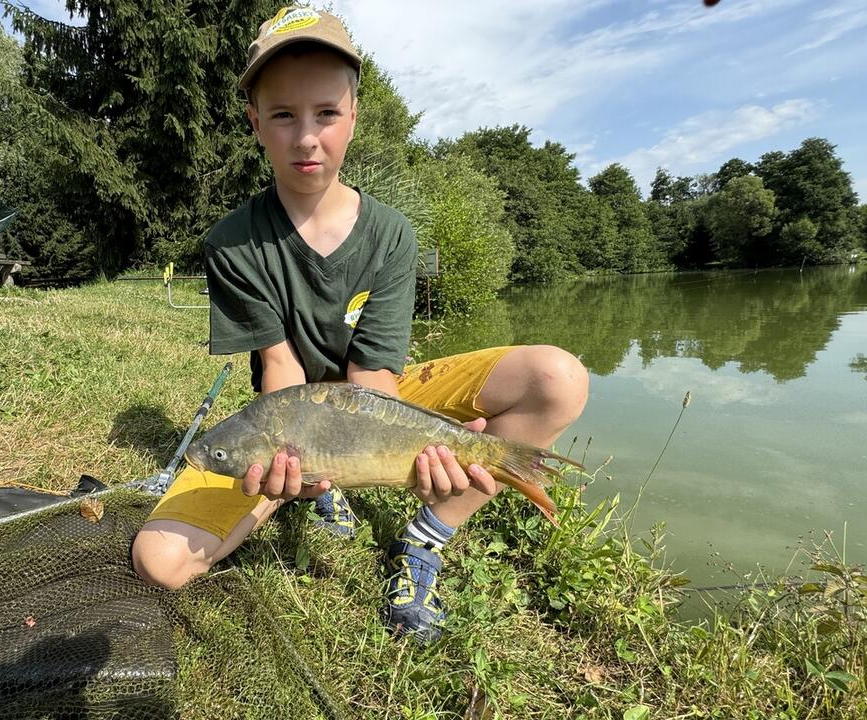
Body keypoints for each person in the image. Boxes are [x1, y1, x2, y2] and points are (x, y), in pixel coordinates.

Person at [132, 6, 589, 643]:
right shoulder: (233, 242)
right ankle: (317, 487)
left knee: (557, 378)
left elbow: (374, 372)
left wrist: (425, 447)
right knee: (160, 561)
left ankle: (424, 541)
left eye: (325, 113)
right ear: (255, 123)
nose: (306, 137)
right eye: (284, 115)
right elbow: (280, 368)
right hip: (288, 415)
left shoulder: (391, 234)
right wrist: (294, 459)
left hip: (379, 400)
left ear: (353, 115)